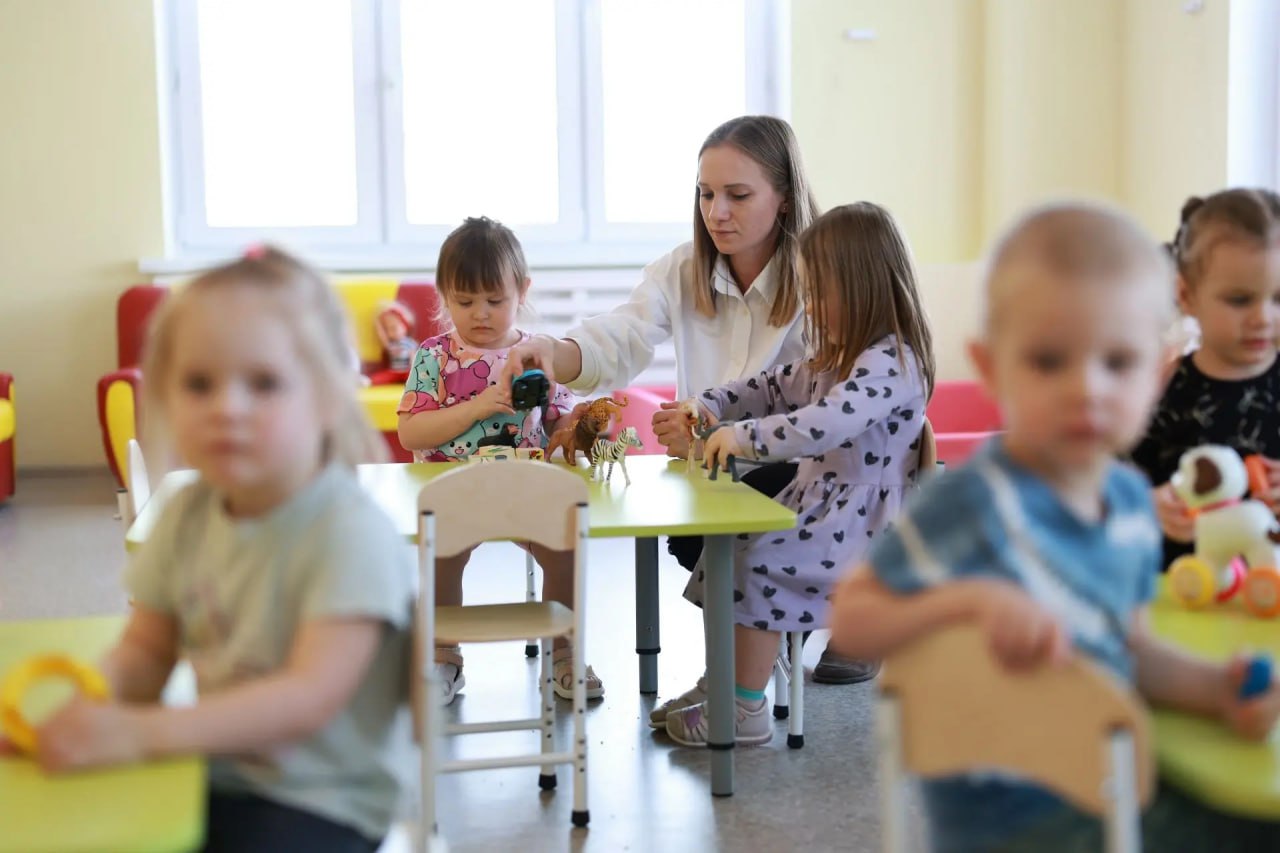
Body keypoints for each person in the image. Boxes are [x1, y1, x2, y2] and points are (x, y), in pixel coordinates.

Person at [828, 202, 1280, 852]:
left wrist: (1215, 689)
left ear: (1158, 372)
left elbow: (1129, 651)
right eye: (1048, 361)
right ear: (991, 368)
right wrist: (971, 602)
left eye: (1118, 362)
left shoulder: (1132, 505)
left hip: (1116, 782)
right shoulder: (974, 500)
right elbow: (852, 620)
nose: (1086, 389)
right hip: (1014, 823)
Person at [13, 247, 413, 853]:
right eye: (199, 384)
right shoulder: (185, 515)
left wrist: (137, 734)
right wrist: (81, 712)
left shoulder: (350, 532)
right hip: (209, 770)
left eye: (264, 383)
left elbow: (305, 699)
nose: (227, 408)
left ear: (328, 398)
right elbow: (145, 651)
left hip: (321, 801)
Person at [503, 115, 870, 682]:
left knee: (754, 523)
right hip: (716, 469)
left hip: (804, 469)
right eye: (705, 194)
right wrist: (556, 350)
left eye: (738, 195)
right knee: (694, 528)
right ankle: (753, 659)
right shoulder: (681, 270)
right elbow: (622, 334)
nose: (716, 212)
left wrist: (719, 431)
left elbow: (836, 402)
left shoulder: (821, 279)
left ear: (784, 198)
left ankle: (798, 639)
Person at [652, 202, 935, 746]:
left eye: (820, 292)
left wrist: (744, 436)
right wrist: (711, 403)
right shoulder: (835, 357)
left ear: (864, 289)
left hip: (862, 532)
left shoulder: (893, 363)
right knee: (726, 551)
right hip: (822, 510)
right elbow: (768, 387)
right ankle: (725, 684)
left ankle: (745, 708)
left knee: (759, 563)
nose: (811, 304)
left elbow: (824, 425)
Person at [396, 217, 585, 703]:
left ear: (522, 291)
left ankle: (563, 655)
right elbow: (410, 431)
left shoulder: (536, 354)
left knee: (566, 548)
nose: (480, 314)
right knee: (440, 556)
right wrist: (477, 407)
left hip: (523, 491)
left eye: (495, 301)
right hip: (452, 494)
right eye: (465, 302)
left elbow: (559, 421)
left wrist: (580, 425)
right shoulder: (434, 356)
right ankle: (443, 658)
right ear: (444, 295)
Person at [1130, 189, 1280, 568]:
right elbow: (1112, 490)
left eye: (1278, 299)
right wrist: (1150, 505)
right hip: (1184, 585)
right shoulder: (1161, 389)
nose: (1263, 317)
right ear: (1186, 295)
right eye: (1240, 300)